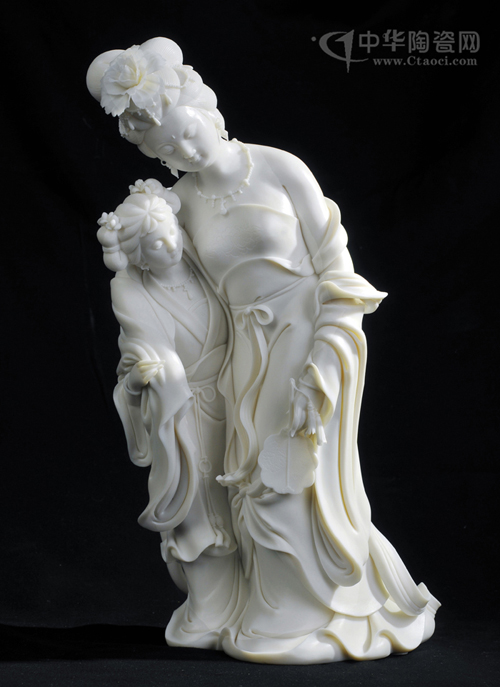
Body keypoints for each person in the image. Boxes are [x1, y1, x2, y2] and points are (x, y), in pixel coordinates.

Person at [88, 37, 440, 664]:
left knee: (294, 473)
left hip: (305, 335)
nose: (185, 151)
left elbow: (335, 265)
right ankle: (271, 609)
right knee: (248, 479)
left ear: (206, 108)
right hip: (243, 355)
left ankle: (317, 613)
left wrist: (324, 360)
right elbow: (160, 271)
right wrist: (125, 267)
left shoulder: (279, 168)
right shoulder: (181, 202)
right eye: (166, 150)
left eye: (186, 132)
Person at [96, 181, 246, 649]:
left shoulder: (201, 265)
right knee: (199, 510)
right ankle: (210, 609)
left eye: (171, 232)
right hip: (185, 411)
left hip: (236, 397)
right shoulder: (131, 290)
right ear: (140, 258)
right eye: (157, 244)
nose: (172, 244)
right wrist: (148, 377)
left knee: (244, 502)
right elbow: (139, 355)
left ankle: (257, 599)